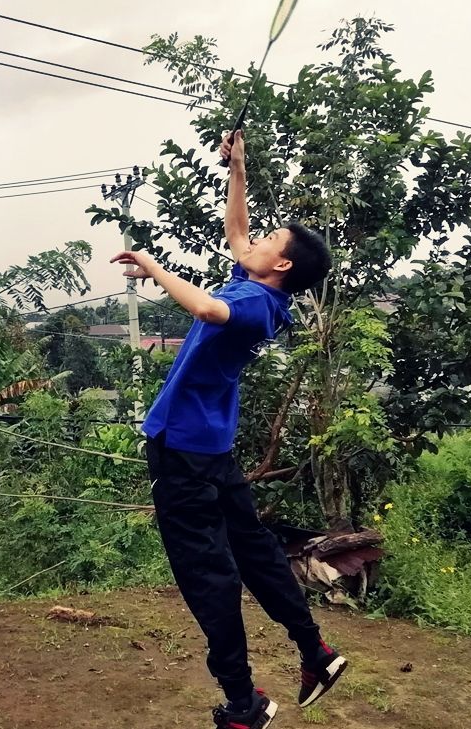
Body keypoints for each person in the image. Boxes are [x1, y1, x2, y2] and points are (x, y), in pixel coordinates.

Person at [110, 130, 344, 729]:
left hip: (184, 452)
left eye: (270, 241)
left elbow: (207, 310)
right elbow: (235, 232)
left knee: (206, 574)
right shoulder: (259, 283)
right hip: (212, 448)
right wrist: (237, 168)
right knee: (256, 551)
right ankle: (315, 652)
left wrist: (154, 265)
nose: (255, 240)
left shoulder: (255, 306)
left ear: (283, 264)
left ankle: (244, 703)